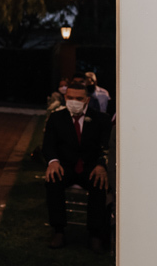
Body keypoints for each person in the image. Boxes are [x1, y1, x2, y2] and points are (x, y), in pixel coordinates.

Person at [43, 81, 112, 251]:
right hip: (65, 166)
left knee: (99, 183)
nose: (74, 101)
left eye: (79, 99)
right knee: (53, 180)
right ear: (65, 97)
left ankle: (95, 233)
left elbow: (106, 146)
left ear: (87, 100)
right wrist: (53, 161)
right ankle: (58, 230)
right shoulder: (56, 118)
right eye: (70, 98)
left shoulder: (101, 119)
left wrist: (101, 165)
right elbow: (48, 145)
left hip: (91, 167)